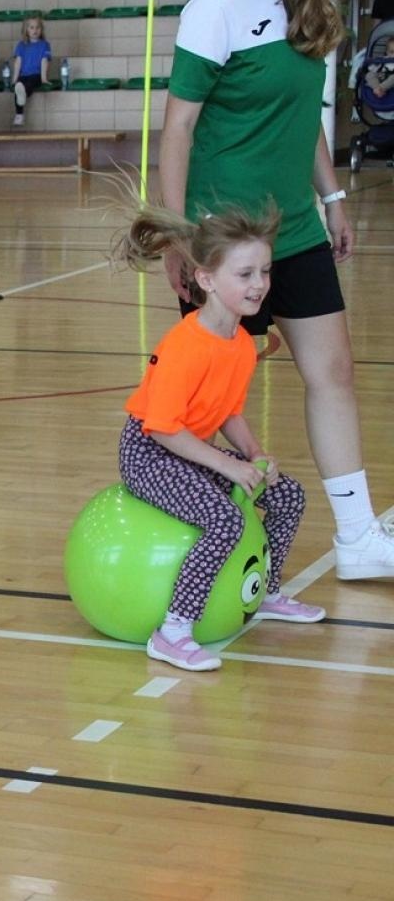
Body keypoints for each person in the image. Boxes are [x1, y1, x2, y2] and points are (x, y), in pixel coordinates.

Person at [161, 0, 394, 579]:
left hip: (295, 229)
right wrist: (177, 234)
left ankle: (357, 535)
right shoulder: (215, 6)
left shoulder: (306, 3)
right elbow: (178, 128)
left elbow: (304, 117)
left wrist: (333, 199)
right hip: (225, 237)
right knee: (208, 395)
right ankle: (195, 531)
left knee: (334, 372)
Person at [111, 202, 324, 671]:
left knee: (288, 496)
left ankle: (266, 592)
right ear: (206, 279)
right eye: (245, 274)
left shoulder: (242, 343)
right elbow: (162, 428)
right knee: (225, 520)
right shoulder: (184, 346)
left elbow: (228, 411)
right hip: (149, 453)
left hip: (191, 448)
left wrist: (255, 454)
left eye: (265, 271)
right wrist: (228, 465)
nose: (259, 284)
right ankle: (173, 631)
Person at [10, 15, 51, 127]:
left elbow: (44, 61)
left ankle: (20, 111)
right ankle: (19, 115)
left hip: (36, 75)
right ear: (26, 30)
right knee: (18, 87)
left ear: (41, 29)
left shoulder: (44, 45)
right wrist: (14, 80)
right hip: (23, 75)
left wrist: (44, 78)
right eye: (31, 27)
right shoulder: (21, 45)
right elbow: (18, 62)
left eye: (38, 27)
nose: (35, 30)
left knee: (28, 84)